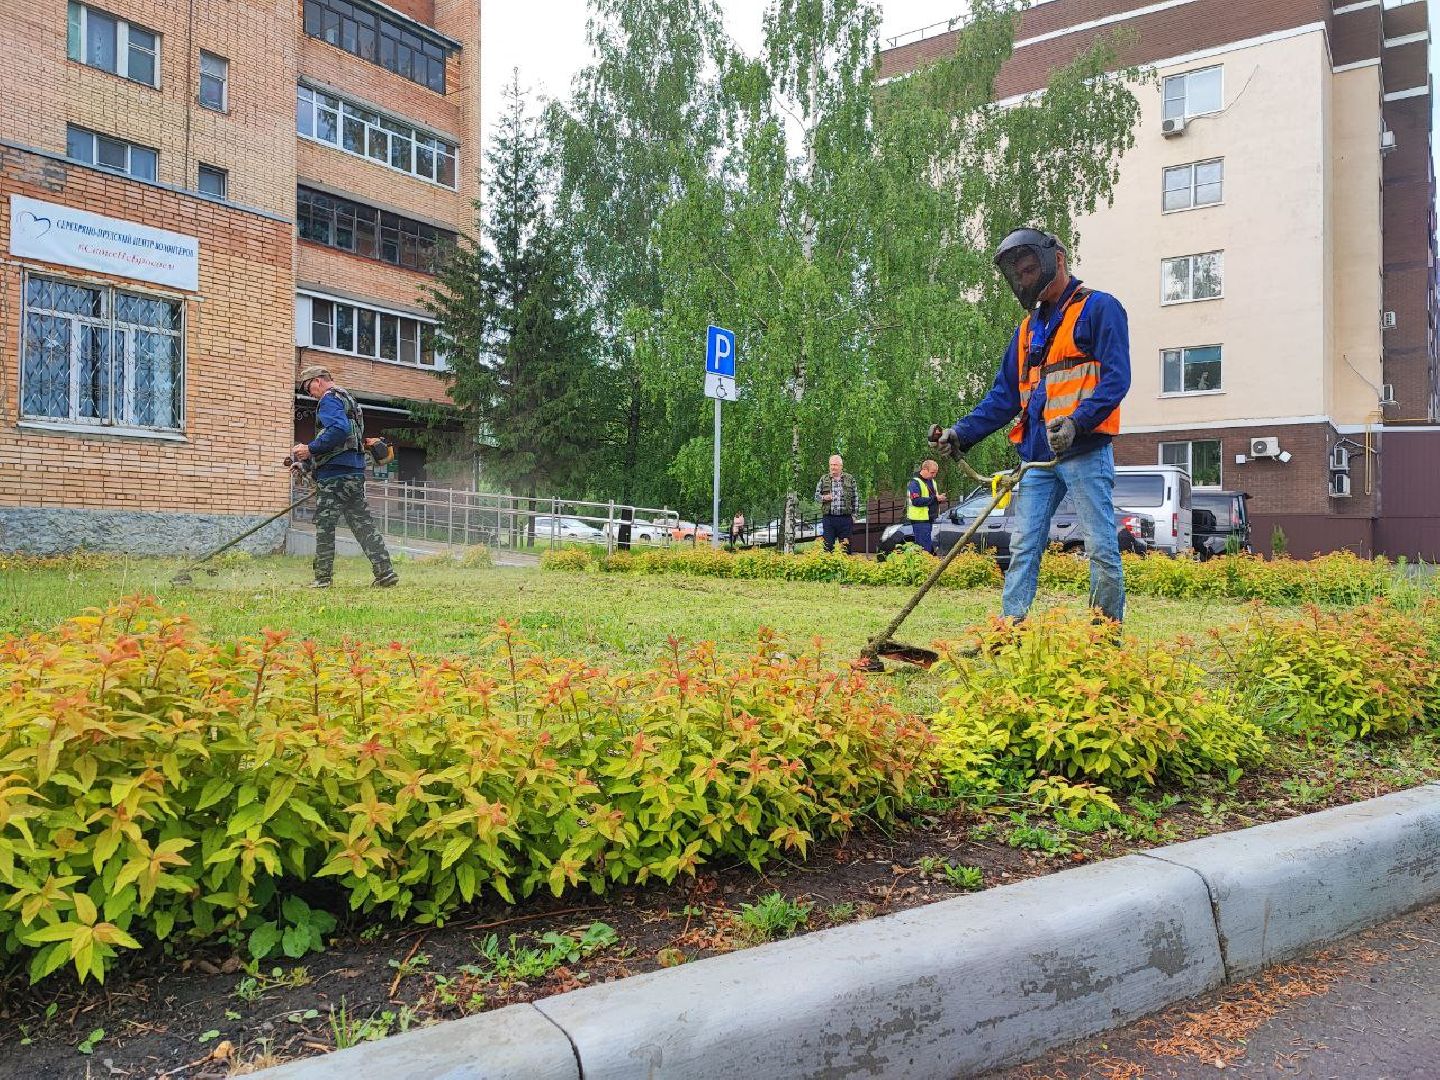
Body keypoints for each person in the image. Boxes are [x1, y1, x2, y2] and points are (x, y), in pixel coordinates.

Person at [929, 227, 1130, 624]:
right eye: (1017, 274)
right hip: (1037, 460)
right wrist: (961, 433)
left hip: (1085, 453)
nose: (1023, 279)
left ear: (1056, 259)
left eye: (1028, 269)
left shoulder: (1099, 309)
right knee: (1023, 546)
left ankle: (1104, 640)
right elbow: (1003, 397)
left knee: (1101, 547)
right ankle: (1011, 629)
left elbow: (1116, 380)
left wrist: (1077, 423)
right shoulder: (1027, 331)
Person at [291, 366, 399, 589]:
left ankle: (322, 579)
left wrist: (309, 449)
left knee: (325, 525)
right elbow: (344, 442)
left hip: (335, 476)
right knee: (363, 524)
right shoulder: (349, 399)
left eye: (307, 386)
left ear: (318, 381)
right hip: (354, 473)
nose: (308, 392)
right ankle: (385, 572)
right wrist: (307, 464)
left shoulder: (329, 400)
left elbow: (338, 431)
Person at [814, 454, 859, 553]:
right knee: (828, 548)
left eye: (835, 465)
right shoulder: (824, 479)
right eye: (831, 465)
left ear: (841, 466)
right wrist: (824, 498)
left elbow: (855, 498)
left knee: (846, 549)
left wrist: (854, 516)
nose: (833, 467)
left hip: (845, 519)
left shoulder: (850, 479)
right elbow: (816, 497)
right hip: (829, 519)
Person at [906, 459, 947, 554]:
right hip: (920, 519)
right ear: (924, 469)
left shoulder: (932, 482)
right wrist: (935, 498)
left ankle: (927, 564)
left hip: (930, 518)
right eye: (932, 472)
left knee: (926, 546)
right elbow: (916, 501)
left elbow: (932, 499)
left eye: (935, 473)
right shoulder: (914, 482)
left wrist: (939, 499)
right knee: (925, 548)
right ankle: (925, 566)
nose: (934, 475)